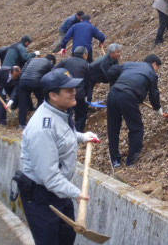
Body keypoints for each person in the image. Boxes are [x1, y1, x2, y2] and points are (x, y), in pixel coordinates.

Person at [18, 68, 100, 245]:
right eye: (68, 90)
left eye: (74, 89)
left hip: (59, 193)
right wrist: (77, 194)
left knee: (66, 239)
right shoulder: (42, 129)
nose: (74, 93)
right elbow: (49, 176)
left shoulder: (60, 113)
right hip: (42, 195)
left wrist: (82, 137)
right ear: (53, 95)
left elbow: (63, 136)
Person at [106, 54, 163, 167]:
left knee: (113, 128)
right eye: (158, 68)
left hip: (113, 94)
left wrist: (115, 84)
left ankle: (115, 160)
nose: (157, 71)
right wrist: (157, 108)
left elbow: (111, 71)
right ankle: (132, 160)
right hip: (128, 96)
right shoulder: (151, 73)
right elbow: (154, 94)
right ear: (154, 64)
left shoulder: (129, 64)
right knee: (136, 128)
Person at [56, 46, 92, 132]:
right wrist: (88, 97)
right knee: (81, 115)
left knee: (67, 114)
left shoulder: (65, 61)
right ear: (85, 55)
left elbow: (54, 71)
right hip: (79, 94)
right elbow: (88, 83)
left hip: (64, 93)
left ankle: (66, 132)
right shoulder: (86, 65)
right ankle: (77, 136)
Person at [18, 54, 56, 128]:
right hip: (35, 81)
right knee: (41, 99)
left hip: (23, 81)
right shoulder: (49, 63)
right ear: (52, 61)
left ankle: (22, 124)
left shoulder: (32, 59)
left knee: (23, 103)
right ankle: (37, 120)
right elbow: (53, 75)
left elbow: (22, 71)